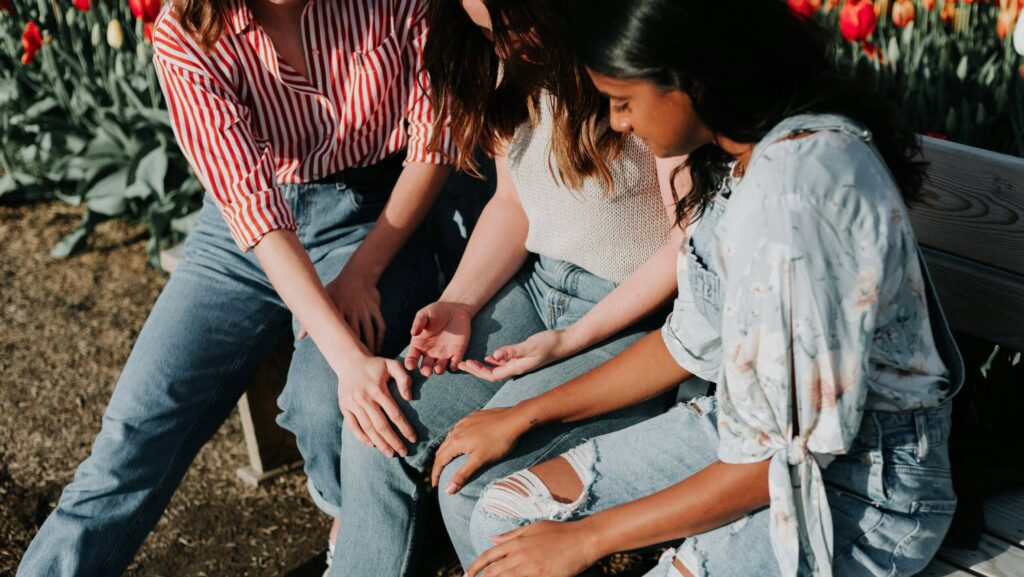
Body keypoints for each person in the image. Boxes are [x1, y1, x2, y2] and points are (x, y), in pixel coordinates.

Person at [439, 1, 966, 576]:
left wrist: (586, 539)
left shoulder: (800, 195)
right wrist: (526, 415)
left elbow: (783, 461)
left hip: (858, 490)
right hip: (737, 432)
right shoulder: (737, 159)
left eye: (624, 101)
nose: (618, 123)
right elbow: (685, 341)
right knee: (502, 514)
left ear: (692, 79)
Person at [16, 0, 453, 575]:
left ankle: (354, 522)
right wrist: (348, 358)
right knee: (136, 431)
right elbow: (254, 213)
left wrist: (362, 273)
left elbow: (436, 137)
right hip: (241, 229)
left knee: (323, 401)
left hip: (372, 216)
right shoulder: (184, 29)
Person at [287, 0, 689, 574]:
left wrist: (570, 339)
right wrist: (460, 301)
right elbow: (513, 204)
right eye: (481, 29)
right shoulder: (504, 63)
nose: (500, 45)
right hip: (534, 289)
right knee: (380, 426)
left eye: (508, 23)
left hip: (628, 318)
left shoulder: (628, 66)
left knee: (466, 476)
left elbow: (686, 245)